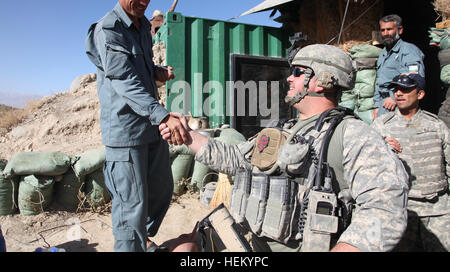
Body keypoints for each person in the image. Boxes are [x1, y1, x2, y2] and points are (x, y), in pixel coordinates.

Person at [160, 44, 409, 252]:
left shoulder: (351, 134)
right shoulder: (282, 130)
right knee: (182, 246)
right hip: (249, 244)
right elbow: (236, 159)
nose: (289, 77)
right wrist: (187, 135)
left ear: (321, 80)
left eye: (298, 72)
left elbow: (386, 208)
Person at [85, 0, 188, 252]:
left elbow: (139, 69)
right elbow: (124, 80)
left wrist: (157, 72)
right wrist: (163, 115)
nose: (143, 2)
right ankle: (131, 244)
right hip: (125, 132)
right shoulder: (109, 30)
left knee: (161, 190)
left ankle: (140, 238)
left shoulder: (143, 28)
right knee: (131, 206)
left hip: (148, 127)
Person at [372, 73, 449, 251]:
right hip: (402, 209)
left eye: (405, 89)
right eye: (396, 89)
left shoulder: (436, 125)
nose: (398, 93)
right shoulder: (381, 126)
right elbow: (370, 166)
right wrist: (381, 146)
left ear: (420, 94)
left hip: (438, 211)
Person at [372, 14, 425, 119]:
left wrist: (393, 97)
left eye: (389, 29)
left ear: (400, 30)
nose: (386, 33)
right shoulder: (383, 53)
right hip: (383, 104)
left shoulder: (408, 50)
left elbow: (415, 77)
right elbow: (379, 82)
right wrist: (377, 106)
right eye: (383, 30)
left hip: (398, 105)